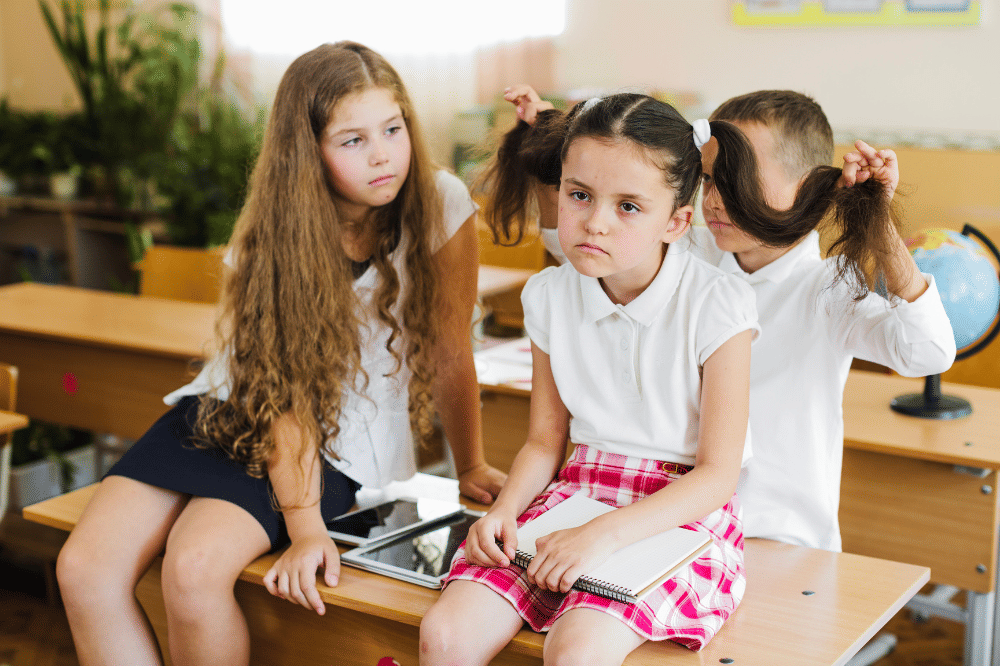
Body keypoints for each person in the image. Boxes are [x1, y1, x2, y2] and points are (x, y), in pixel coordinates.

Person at [55, 41, 505, 666]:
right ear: (307, 154)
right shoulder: (275, 238)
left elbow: (453, 349)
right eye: (352, 140)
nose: (383, 155)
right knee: (83, 567)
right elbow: (280, 392)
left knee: (194, 567)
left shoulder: (441, 202)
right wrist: (304, 527)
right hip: (239, 408)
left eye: (393, 129)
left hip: (336, 442)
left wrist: (472, 464)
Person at [499, 85, 956, 552]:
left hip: (777, 537)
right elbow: (580, 247)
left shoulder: (829, 287)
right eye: (711, 179)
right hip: (667, 523)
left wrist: (875, 215)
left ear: (810, 183)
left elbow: (928, 351)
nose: (716, 199)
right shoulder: (688, 250)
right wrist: (549, 143)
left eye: (740, 178)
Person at [420, 93, 762, 665]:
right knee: (445, 636)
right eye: (579, 195)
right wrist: (503, 512)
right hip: (574, 493)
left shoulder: (718, 304)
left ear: (678, 221)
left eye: (628, 206)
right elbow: (543, 441)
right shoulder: (550, 296)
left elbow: (717, 476)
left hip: (679, 513)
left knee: (577, 651)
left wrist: (602, 535)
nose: (594, 222)